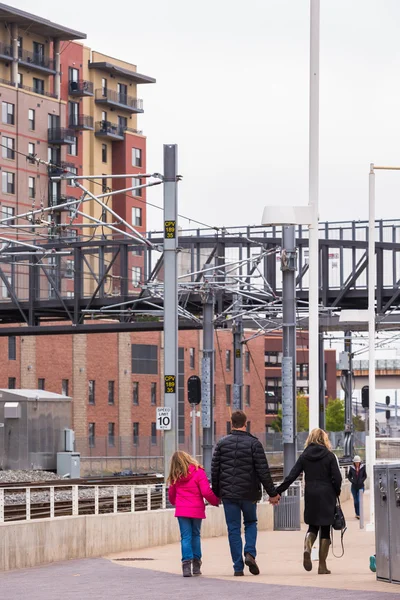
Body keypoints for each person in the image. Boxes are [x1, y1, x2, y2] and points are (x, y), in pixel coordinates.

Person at [211, 410, 280, 577]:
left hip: (228, 495)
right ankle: (249, 553)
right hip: (249, 494)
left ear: (231, 422)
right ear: (245, 423)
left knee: (233, 529)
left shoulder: (221, 444)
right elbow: (263, 471)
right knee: (250, 523)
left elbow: (215, 471)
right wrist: (272, 493)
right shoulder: (254, 444)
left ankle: (237, 567)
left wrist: (216, 492)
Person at [276, 428, 342, 575]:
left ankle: (307, 546)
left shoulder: (305, 456)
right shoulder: (329, 456)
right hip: (327, 494)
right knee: (325, 529)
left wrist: (277, 491)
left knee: (313, 526)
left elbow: (292, 476)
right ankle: (322, 566)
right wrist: (336, 491)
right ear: (324, 439)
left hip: (311, 493)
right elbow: (337, 478)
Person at [167, 451, 219, 578]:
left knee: (185, 537)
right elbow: (206, 491)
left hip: (182, 510)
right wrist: (215, 501)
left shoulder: (175, 476)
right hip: (196, 510)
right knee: (195, 535)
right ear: (188, 458)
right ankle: (196, 565)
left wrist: (176, 503)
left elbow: (171, 495)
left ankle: (186, 566)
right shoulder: (198, 472)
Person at [347, 455, 367, 519]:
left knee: (359, 500)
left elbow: (365, 476)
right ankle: (357, 514)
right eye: (356, 462)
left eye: (358, 462)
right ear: (354, 462)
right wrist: (352, 481)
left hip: (361, 486)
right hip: (354, 487)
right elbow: (349, 476)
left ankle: (359, 514)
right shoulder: (351, 468)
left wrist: (361, 480)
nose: (357, 463)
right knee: (355, 501)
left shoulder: (363, 467)